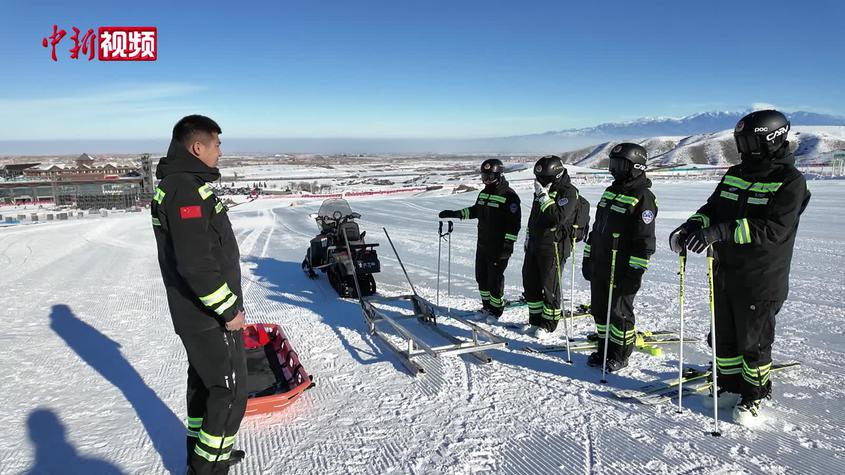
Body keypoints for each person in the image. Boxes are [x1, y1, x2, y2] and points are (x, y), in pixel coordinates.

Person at [668, 109, 810, 427]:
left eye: (749, 141)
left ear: (771, 141)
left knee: (753, 342)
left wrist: (720, 232)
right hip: (725, 271)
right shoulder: (736, 173)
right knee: (725, 337)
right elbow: (714, 207)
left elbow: (773, 230)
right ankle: (730, 387)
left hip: (761, 277)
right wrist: (692, 226)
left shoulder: (789, 182)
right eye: (740, 141)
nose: (743, 149)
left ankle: (755, 395)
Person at [151, 115, 248, 473]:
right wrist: (228, 311)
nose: (221, 151)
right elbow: (195, 264)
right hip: (207, 316)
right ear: (197, 147)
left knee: (206, 388)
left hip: (198, 314)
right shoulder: (185, 190)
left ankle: (206, 457)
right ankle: (209, 468)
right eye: (217, 144)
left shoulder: (183, 184)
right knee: (230, 394)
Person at [583, 143, 657, 371]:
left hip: (622, 266)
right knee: (600, 309)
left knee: (619, 313)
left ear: (635, 166)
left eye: (619, 165)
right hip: (601, 262)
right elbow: (597, 229)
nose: (614, 170)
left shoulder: (643, 197)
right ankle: (604, 349)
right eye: (612, 164)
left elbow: (645, 241)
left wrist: (635, 272)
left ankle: (620, 355)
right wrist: (588, 256)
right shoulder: (611, 191)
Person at [439, 159, 521, 322]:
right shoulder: (484, 193)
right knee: (481, 277)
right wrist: (457, 213)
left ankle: (496, 310)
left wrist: (507, 245)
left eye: (490, 177)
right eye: (484, 177)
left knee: (494, 279)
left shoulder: (509, 197)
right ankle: (487, 306)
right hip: (483, 243)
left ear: (499, 175)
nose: (487, 180)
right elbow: (476, 210)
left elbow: (514, 225)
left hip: (499, 247)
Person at [522, 155, 580, 339]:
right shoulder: (541, 190)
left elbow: (557, 217)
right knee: (530, 282)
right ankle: (535, 319)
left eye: (543, 178)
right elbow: (534, 217)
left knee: (550, 286)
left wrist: (543, 197)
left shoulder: (568, 192)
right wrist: (528, 236)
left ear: (555, 175)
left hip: (553, 246)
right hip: (535, 244)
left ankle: (549, 324)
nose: (539, 182)